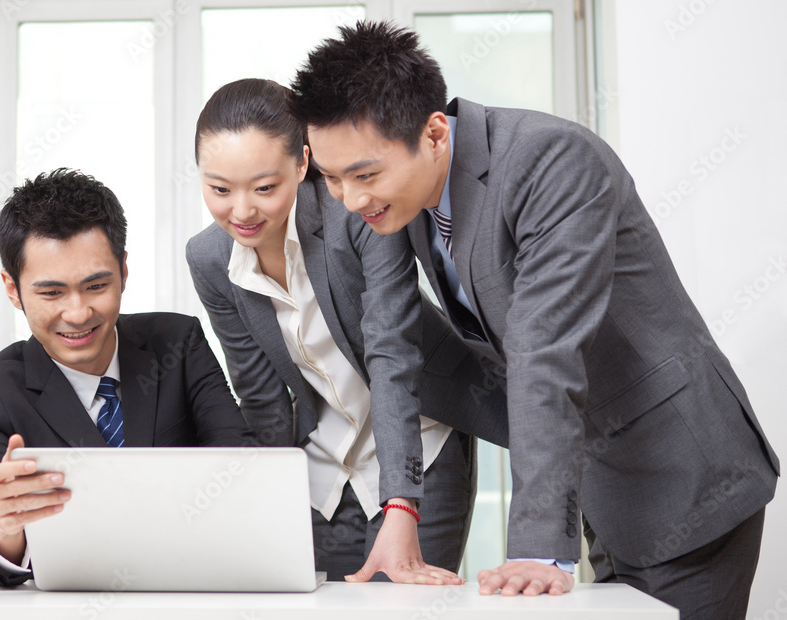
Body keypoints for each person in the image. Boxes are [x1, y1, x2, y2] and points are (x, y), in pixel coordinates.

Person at [289, 21, 779, 619]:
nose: (349, 199)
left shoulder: (551, 160)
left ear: (435, 133)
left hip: (685, 475)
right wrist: (401, 506)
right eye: (332, 179)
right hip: (601, 482)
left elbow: (543, 349)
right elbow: (391, 350)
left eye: (364, 175)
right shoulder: (395, 201)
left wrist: (539, 546)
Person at [186, 78, 494, 584]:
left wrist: (402, 501)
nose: (241, 212)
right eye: (219, 189)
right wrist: (255, 510)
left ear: (303, 163)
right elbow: (260, 395)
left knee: (402, 604)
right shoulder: (209, 258)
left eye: (265, 187)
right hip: (321, 467)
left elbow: (392, 355)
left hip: (417, 448)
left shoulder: (354, 211)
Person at [0, 168, 254, 586]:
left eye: (96, 285)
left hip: (190, 588)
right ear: (12, 289)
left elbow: (240, 471)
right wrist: (5, 526)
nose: (78, 313)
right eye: (51, 293)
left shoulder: (178, 343)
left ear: (124, 271)